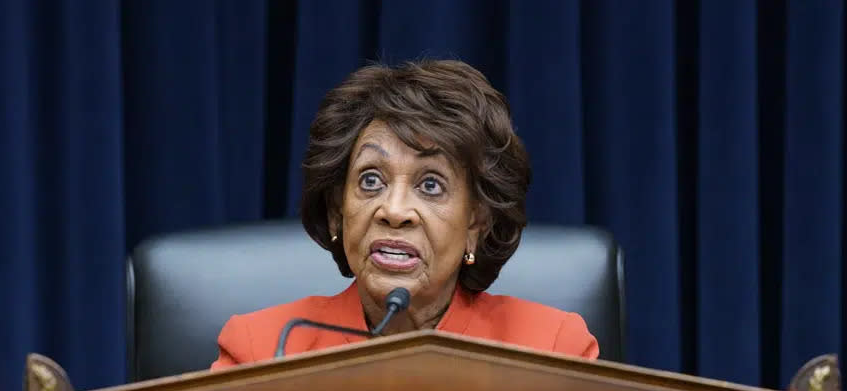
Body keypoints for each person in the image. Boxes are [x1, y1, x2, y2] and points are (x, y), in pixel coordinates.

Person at [211, 60, 599, 368]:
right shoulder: (264, 349)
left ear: (476, 223)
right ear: (336, 213)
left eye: (430, 185)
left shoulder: (550, 350)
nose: (394, 212)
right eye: (371, 181)